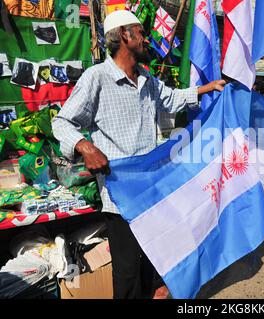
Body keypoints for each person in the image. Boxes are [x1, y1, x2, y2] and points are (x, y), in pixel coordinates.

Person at [52, 10, 225, 299]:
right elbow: (62, 122)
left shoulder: (146, 79)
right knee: (128, 273)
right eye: (141, 32)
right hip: (122, 200)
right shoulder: (97, 78)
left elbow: (172, 98)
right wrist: (86, 147)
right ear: (124, 36)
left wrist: (208, 87)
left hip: (152, 192)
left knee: (154, 264)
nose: (146, 38)